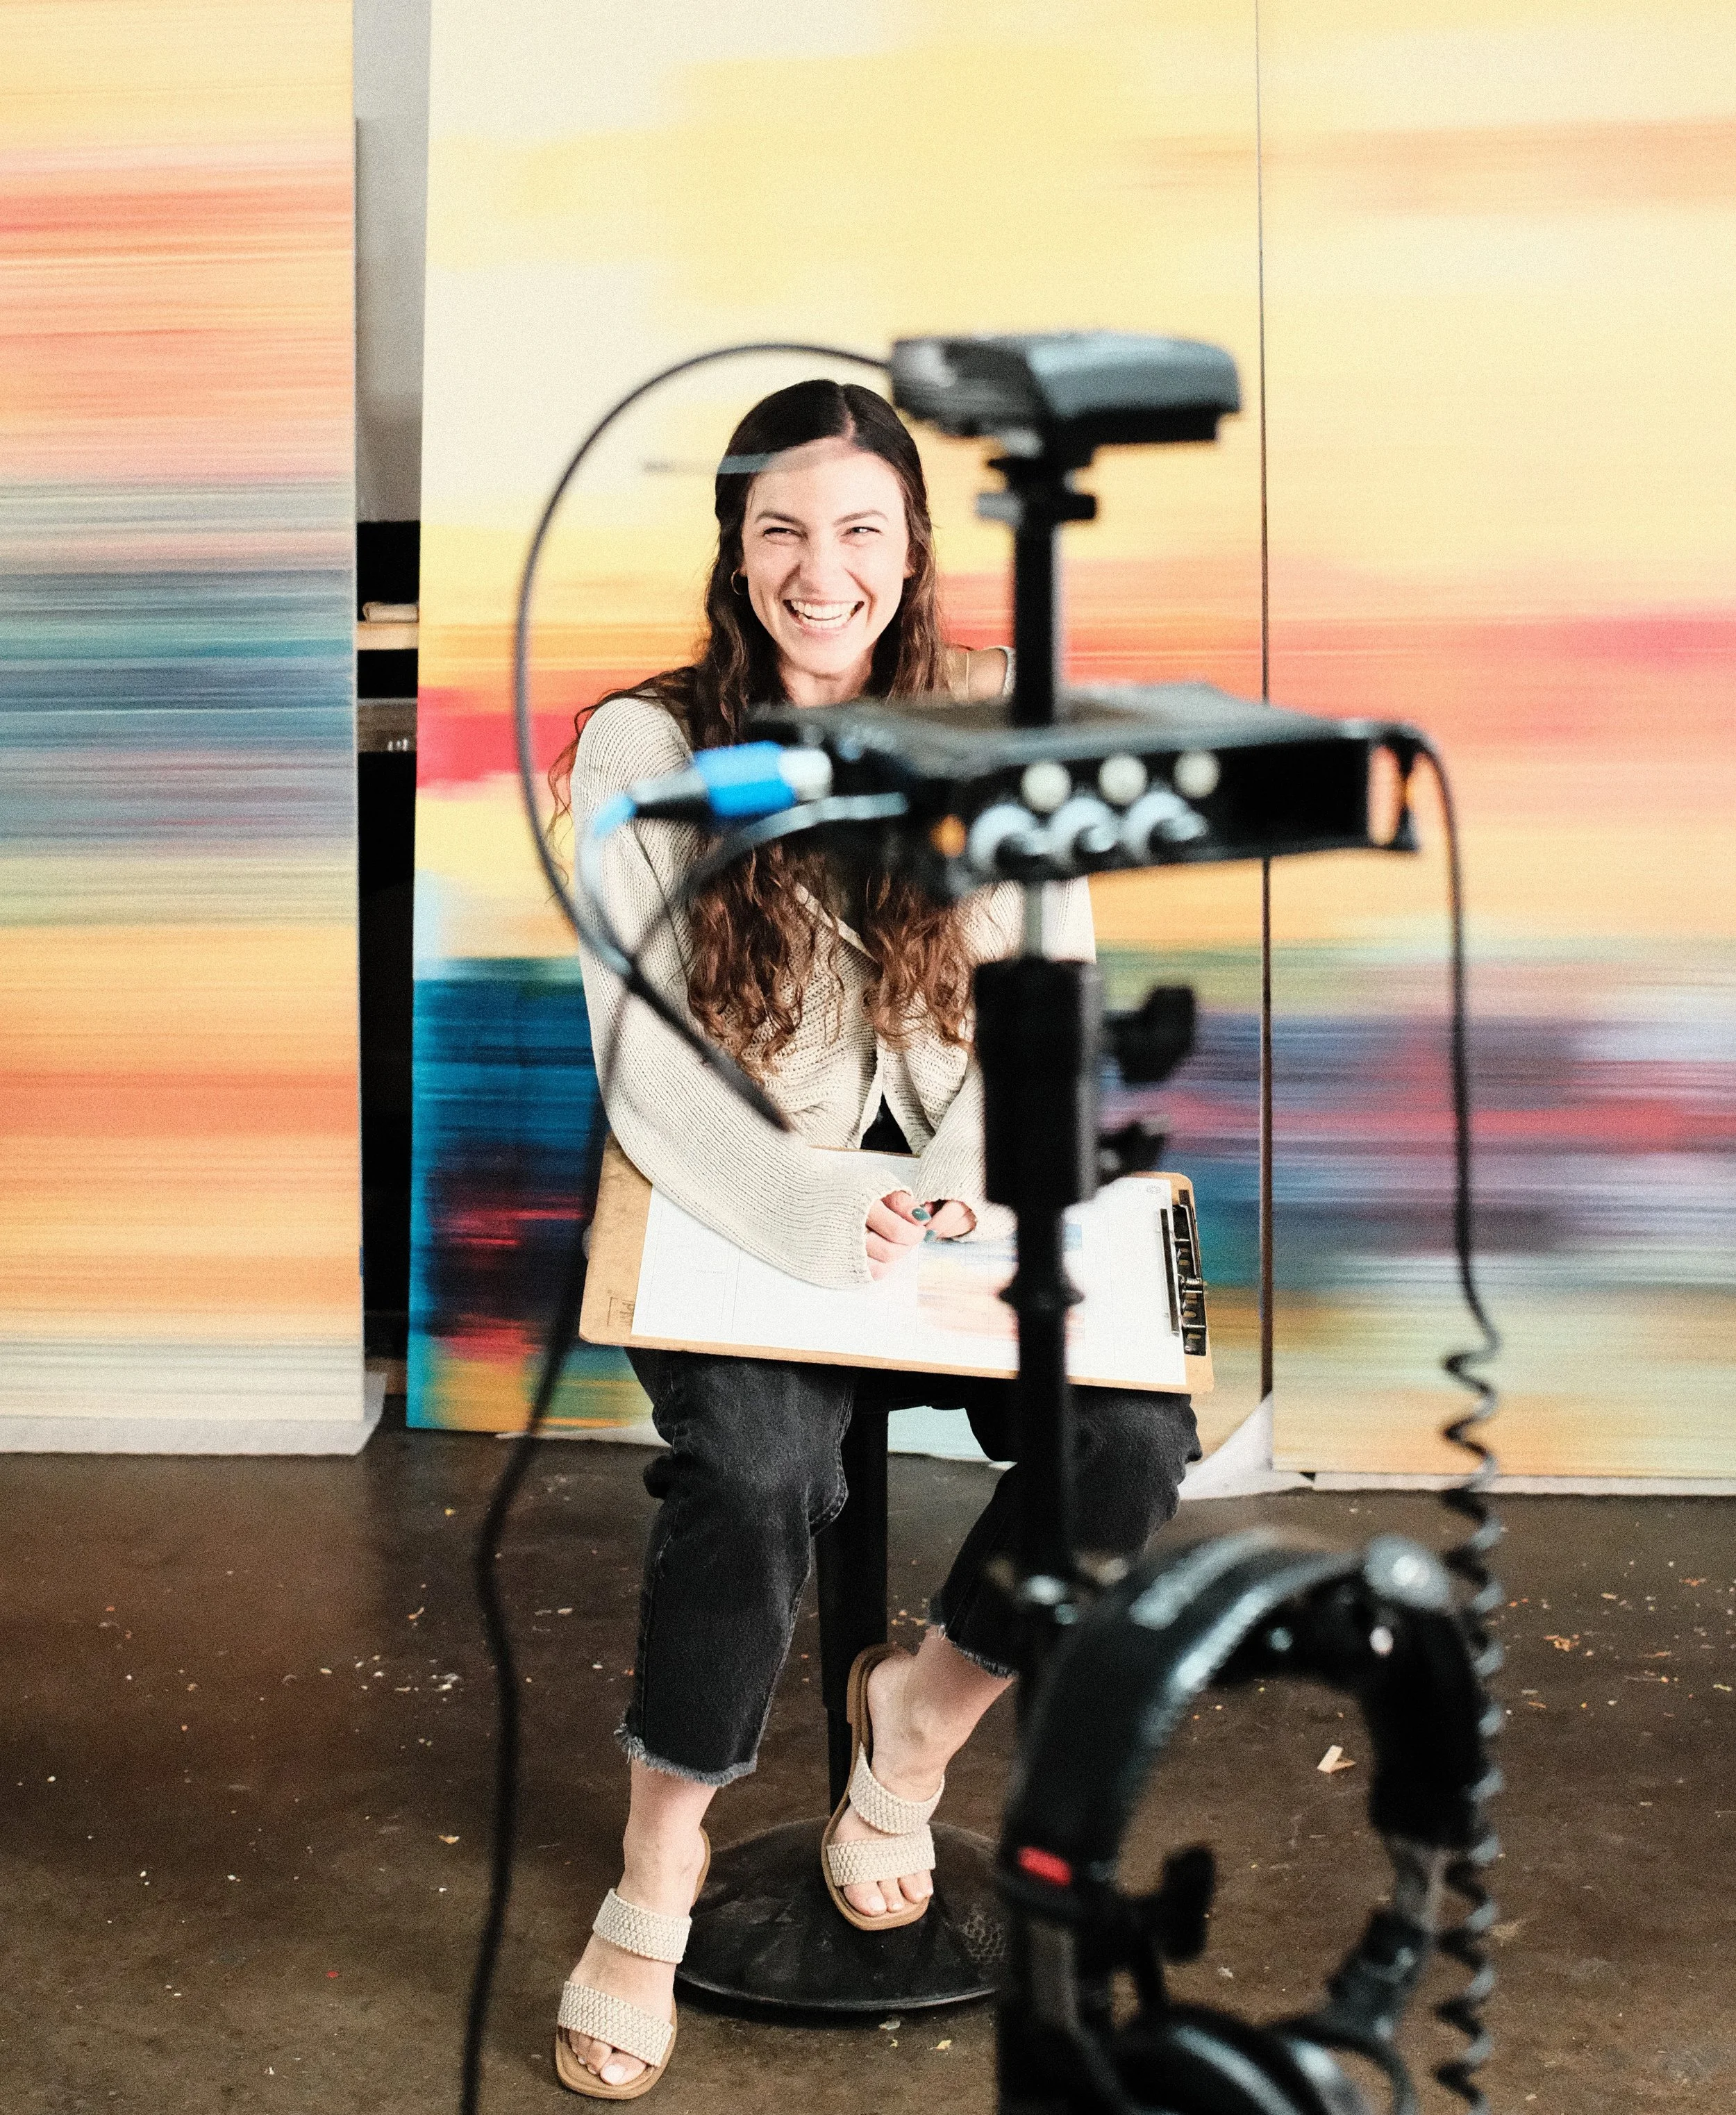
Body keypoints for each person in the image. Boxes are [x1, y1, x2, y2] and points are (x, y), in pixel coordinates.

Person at [549, 378, 1199, 2097]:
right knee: (754, 1470)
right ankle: (659, 1865)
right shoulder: (643, 749)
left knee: (1131, 1435)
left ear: (911, 549)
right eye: (778, 529)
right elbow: (641, 1060)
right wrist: (810, 1200)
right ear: (733, 547)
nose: (816, 570)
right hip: (740, 1202)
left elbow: (1051, 981)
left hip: (971, 1201)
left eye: (857, 530)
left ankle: (907, 1728)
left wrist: (976, 1171)